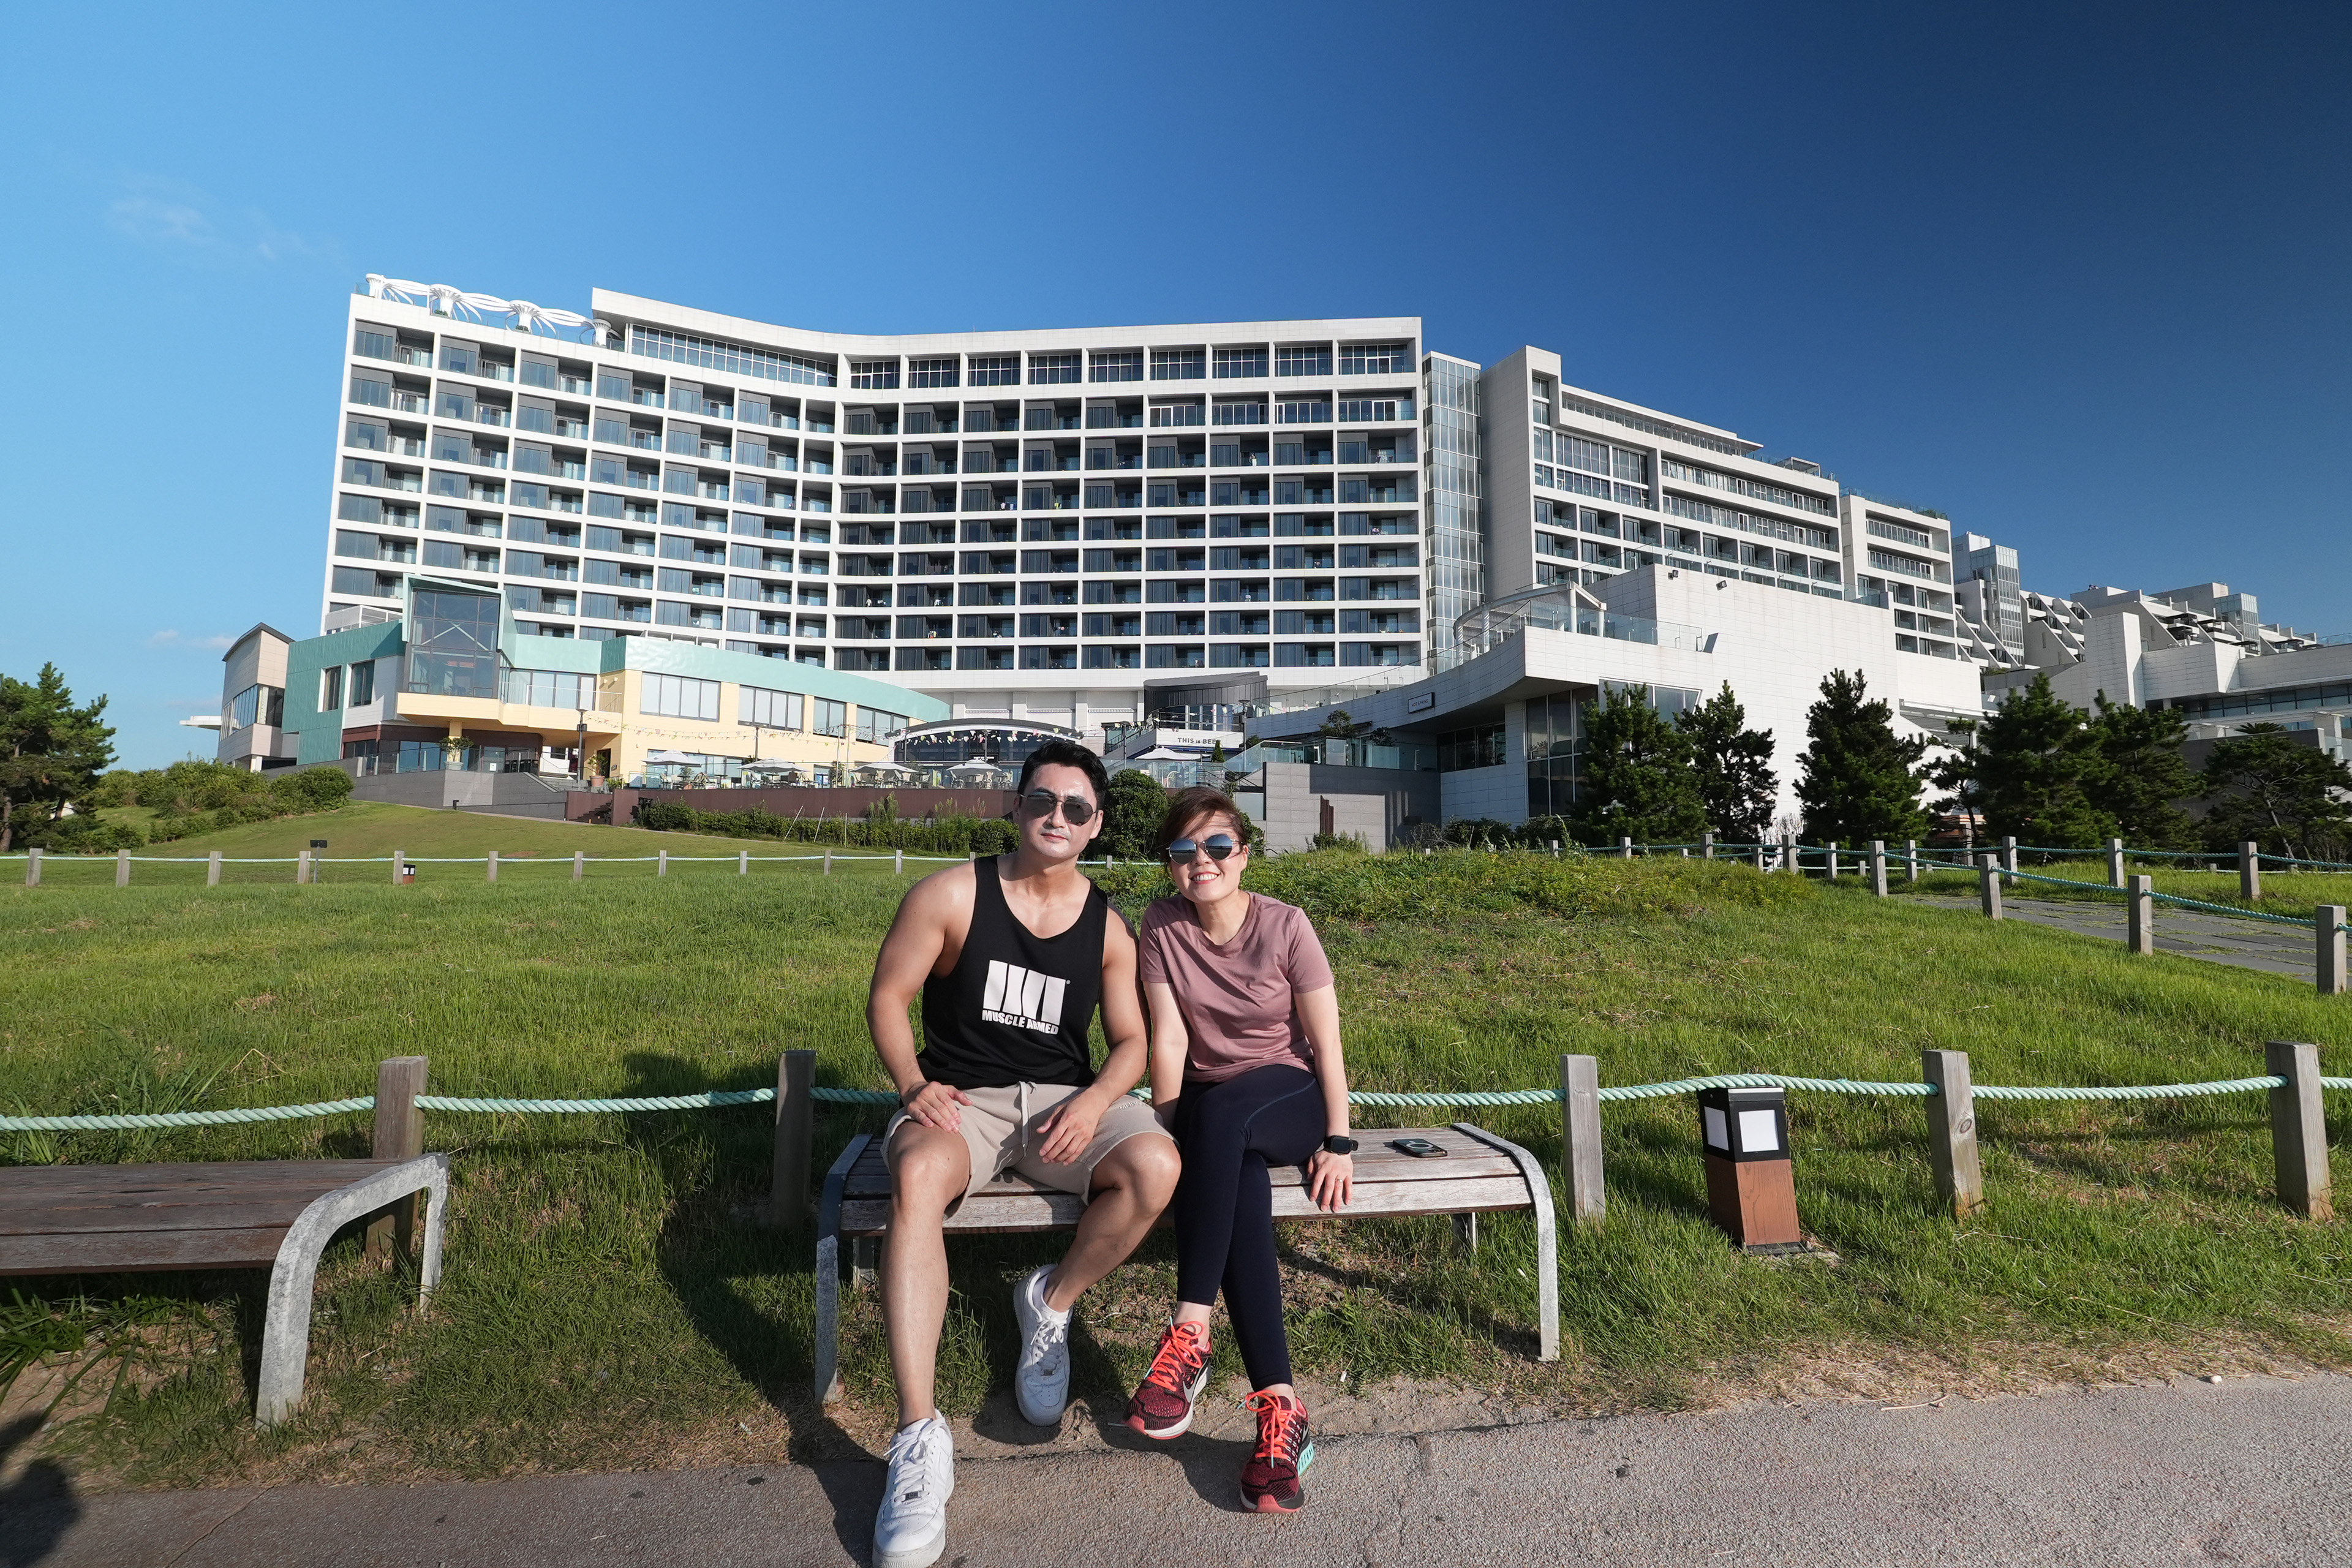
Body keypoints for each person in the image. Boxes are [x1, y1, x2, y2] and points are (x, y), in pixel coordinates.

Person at [864, 739, 1180, 1568]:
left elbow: (1131, 1041)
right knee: (917, 1176)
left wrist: (1096, 1100)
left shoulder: (1107, 927)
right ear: (1016, 806)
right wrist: (912, 1084)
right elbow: (889, 998)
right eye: (1042, 800)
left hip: (1062, 1109)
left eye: (1076, 808)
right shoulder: (951, 894)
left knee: (1157, 1166)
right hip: (963, 1101)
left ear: (1096, 824)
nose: (1057, 817)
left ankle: (1051, 1301)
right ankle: (918, 1438)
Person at [1124, 786, 1354, 1514]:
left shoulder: (1288, 925)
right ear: (1170, 864)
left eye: (1218, 845)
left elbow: (1326, 1044)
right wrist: (1167, 1134)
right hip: (1215, 1115)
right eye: (1184, 849)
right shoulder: (1161, 926)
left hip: (1289, 1094)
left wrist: (1340, 1139)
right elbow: (1169, 1038)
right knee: (1240, 1177)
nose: (1203, 860)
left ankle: (1190, 1330)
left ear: (1244, 854)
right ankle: (1282, 1412)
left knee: (1224, 1115)